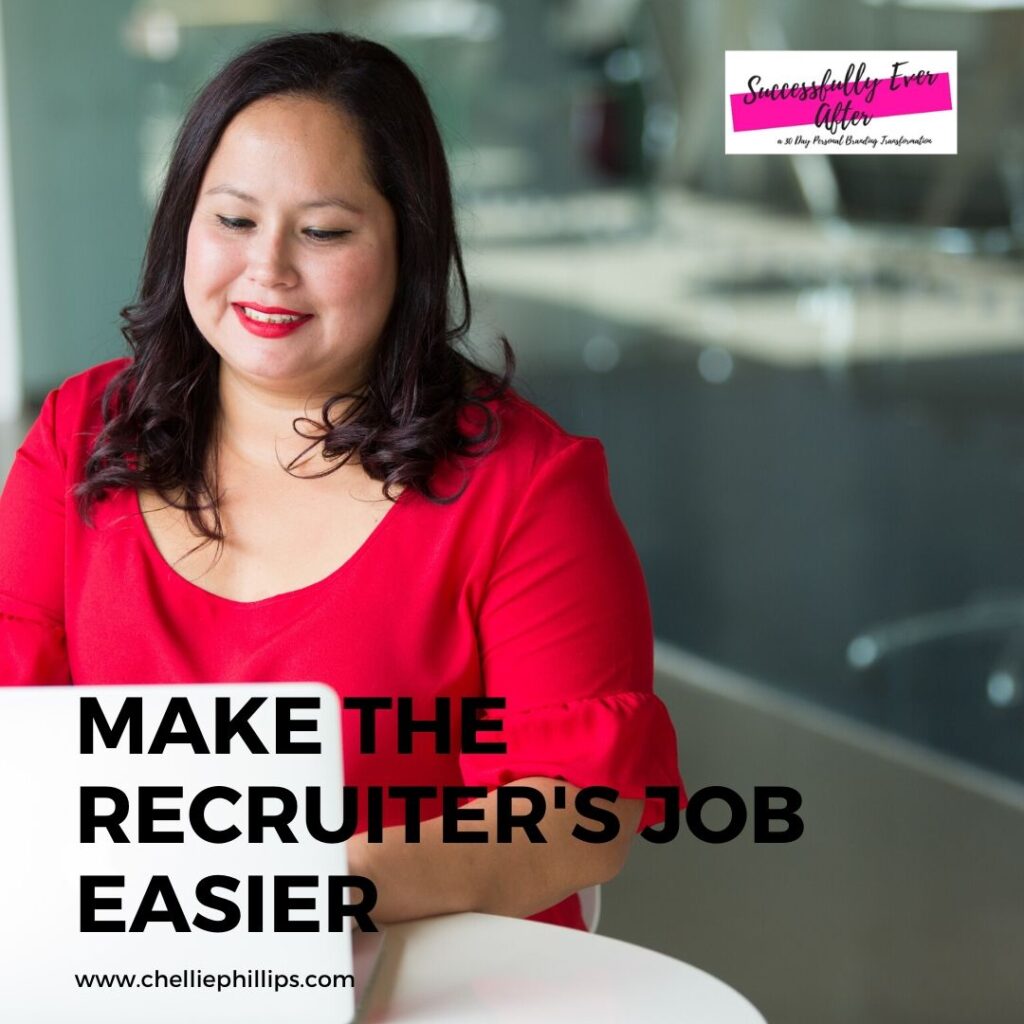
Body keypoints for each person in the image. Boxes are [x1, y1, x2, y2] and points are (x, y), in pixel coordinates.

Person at [0, 31, 684, 930]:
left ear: (410, 244)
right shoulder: (80, 432)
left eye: (323, 230)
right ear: (182, 226)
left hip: (422, 972)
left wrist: (304, 895)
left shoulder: (527, 487)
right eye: (234, 219)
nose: (268, 268)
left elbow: (580, 813)